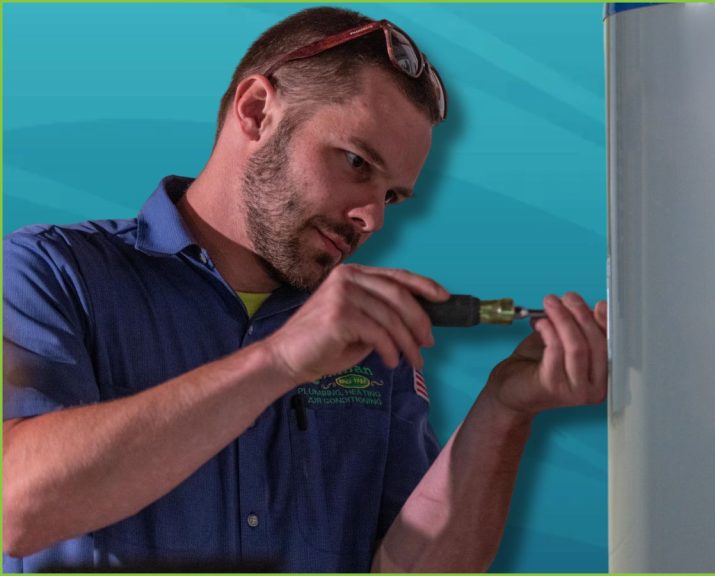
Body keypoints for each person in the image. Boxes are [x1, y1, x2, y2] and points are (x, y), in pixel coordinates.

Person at [2, 6, 608, 572]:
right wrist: (280, 361)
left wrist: (505, 408)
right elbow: (17, 508)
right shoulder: (52, 272)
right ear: (257, 110)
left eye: (392, 195)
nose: (372, 216)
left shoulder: (368, 342)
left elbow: (409, 566)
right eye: (355, 162)